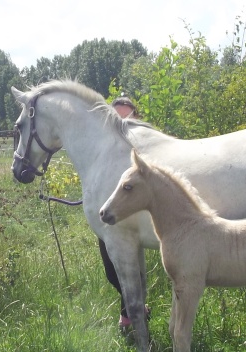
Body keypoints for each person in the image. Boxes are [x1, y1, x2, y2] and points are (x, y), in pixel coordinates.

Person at [102, 96, 148, 332]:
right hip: (109, 217)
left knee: (131, 271)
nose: (123, 124)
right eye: (117, 118)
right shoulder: (102, 154)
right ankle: (136, 307)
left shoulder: (143, 154)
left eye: (127, 118)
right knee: (112, 272)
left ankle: (130, 316)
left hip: (134, 218)